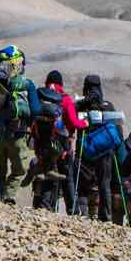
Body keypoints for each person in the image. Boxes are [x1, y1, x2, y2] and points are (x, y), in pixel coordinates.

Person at [0, 45, 40, 204]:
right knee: (19, 169)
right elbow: (35, 110)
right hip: (18, 133)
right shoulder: (27, 84)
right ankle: (8, 196)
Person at [29, 70, 87, 213]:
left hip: (41, 145)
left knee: (47, 173)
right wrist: (85, 123)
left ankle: (44, 206)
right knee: (67, 177)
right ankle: (72, 210)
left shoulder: (39, 96)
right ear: (60, 83)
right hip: (62, 146)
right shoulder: (65, 100)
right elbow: (74, 122)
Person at [75, 74, 124, 223]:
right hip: (106, 150)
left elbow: (73, 120)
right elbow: (118, 130)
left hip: (87, 149)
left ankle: (82, 214)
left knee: (83, 182)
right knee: (104, 183)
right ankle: (106, 216)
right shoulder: (108, 105)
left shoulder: (82, 104)